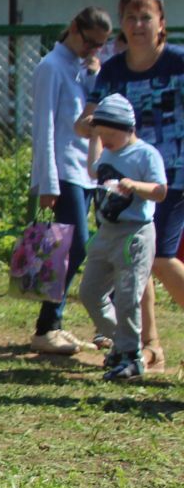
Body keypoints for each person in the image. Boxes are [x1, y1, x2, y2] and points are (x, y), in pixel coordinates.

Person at [80, 0, 184, 374]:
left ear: (162, 25)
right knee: (134, 264)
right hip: (124, 185)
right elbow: (87, 118)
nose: (138, 24)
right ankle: (149, 345)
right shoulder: (114, 70)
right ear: (121, 26)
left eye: (146, 17)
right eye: (130, 17)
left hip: (172, 178)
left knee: (160, 258)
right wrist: (90, 127)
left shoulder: (177, 62)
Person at [29, 7, 115, 356]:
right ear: (74, 29)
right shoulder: (51, 67)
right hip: (63, 171)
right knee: (72, 245)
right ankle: (46, 326)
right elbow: (45, 127)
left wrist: (94, 75)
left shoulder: (83, 68)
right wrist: (47, 183)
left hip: (88, 170)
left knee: (78, 248)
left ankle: (56, 323)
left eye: (101, 45)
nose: (94, 50)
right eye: (91, 42)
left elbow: (93, 115)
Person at [77, 93, 169, 381]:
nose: (104, 140)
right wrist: (93, 138)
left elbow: (160, 190)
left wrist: (135, 185)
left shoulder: (145, 153)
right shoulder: (107, 150)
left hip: (135, 235)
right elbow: (93, 171)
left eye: (107, 134)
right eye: (101, 134)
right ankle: (122, 343)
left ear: (122, 128)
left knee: (128, 296)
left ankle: (131, 359)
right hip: (106, 232)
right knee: (90, 292)